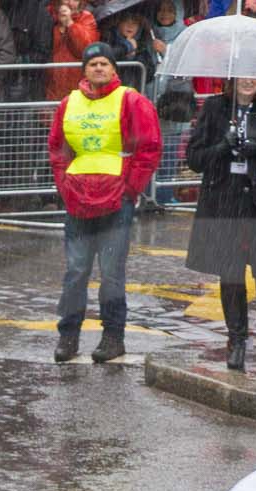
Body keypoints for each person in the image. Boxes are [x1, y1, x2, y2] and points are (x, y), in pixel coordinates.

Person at [183, 75, 256, 375]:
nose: (248, 81)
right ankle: (236, 340)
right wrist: (224, 146)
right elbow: (195, 158)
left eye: (254, 75)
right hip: (225, 201)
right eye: (242, 75)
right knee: (231, 275)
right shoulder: (214, 107)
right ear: (232, 79)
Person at [48, 42, 160, 362]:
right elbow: (58, 149)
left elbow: (148, 148)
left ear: (114, 69)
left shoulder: (131, 100)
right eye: (92, 63)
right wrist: (65, 186)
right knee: (76, 272)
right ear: (84, 70)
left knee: (111, 274)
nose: (98, 68)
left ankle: (113, 337)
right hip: (78, 201)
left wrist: (130, 190)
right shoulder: (69, 103)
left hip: (116, 201)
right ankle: (68, 337)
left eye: (104, 63)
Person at [44, 0, 98, 102]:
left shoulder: (86, 18)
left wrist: (70, 24)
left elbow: (86, 49)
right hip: (51, 87)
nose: (69, 3)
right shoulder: (47, 17)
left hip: (78, 85)